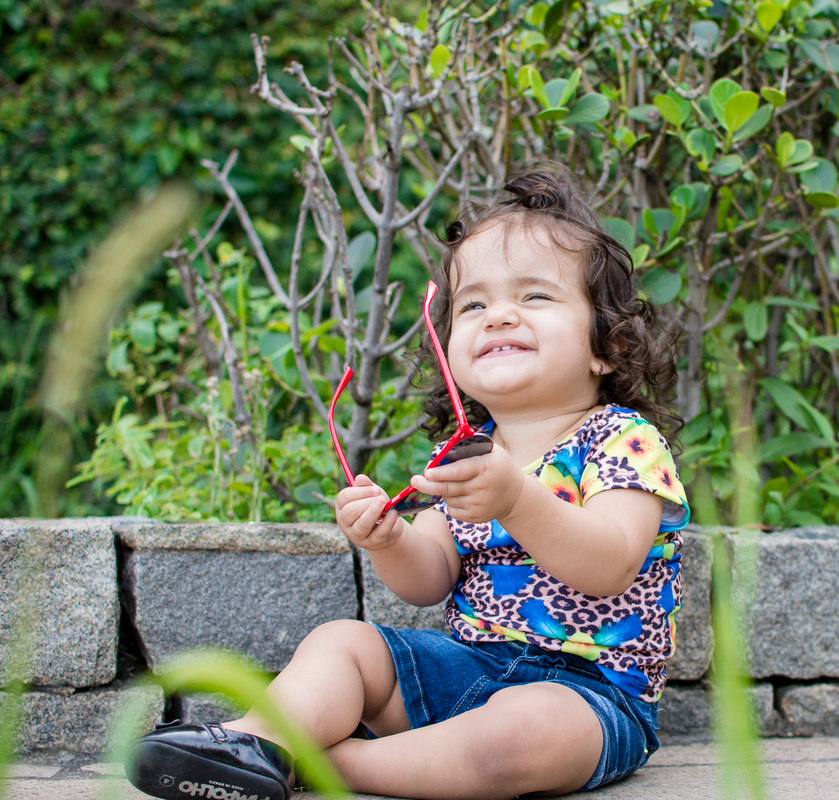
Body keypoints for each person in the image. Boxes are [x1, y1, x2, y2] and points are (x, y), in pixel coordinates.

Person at [124, 168, 690, 800]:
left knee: (523, 732)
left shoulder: (621, 439)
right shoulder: (466, 455)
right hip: (463, 671)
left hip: (590, 696)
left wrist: (516, 499)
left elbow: (610, 564)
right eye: (474, 304)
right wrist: (389, 539)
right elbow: (429, 581)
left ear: (604, 347)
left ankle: (325, 768)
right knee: (345, 643)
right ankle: (259, 742)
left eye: (534, 298)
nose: (499, 316)